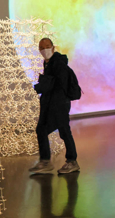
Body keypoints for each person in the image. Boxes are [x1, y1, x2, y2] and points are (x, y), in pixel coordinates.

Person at [31, 38, 79, 175]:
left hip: (59, 105)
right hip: (52, 104)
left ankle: (71, 161)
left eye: (47, 46)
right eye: (42, 47)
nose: (44, 49)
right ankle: (46, 161)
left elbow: (57, 86)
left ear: (53, 47)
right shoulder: (48, 63)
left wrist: (41, 86)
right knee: (43, 129)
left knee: (63, 131)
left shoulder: (58, 63)